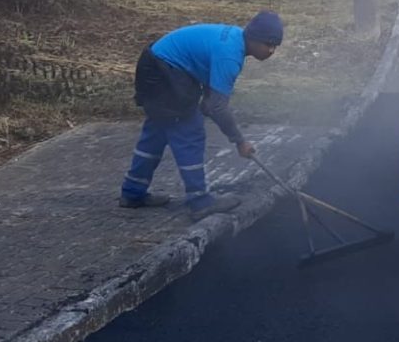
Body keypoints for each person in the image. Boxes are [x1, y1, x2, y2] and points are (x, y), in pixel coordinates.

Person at [119, 11, 283, 221]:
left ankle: (132, 192)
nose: (271, 50)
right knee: (189, 130)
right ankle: (200, 201)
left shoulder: (233, 38)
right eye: (267, 43)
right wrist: (240, 141)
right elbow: (218, 107)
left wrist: (207, 100)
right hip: (164, 71)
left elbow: (206, 76)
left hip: (156, 63)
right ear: (252, 37)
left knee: (157, 131)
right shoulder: (230, 55)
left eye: (275, 45)